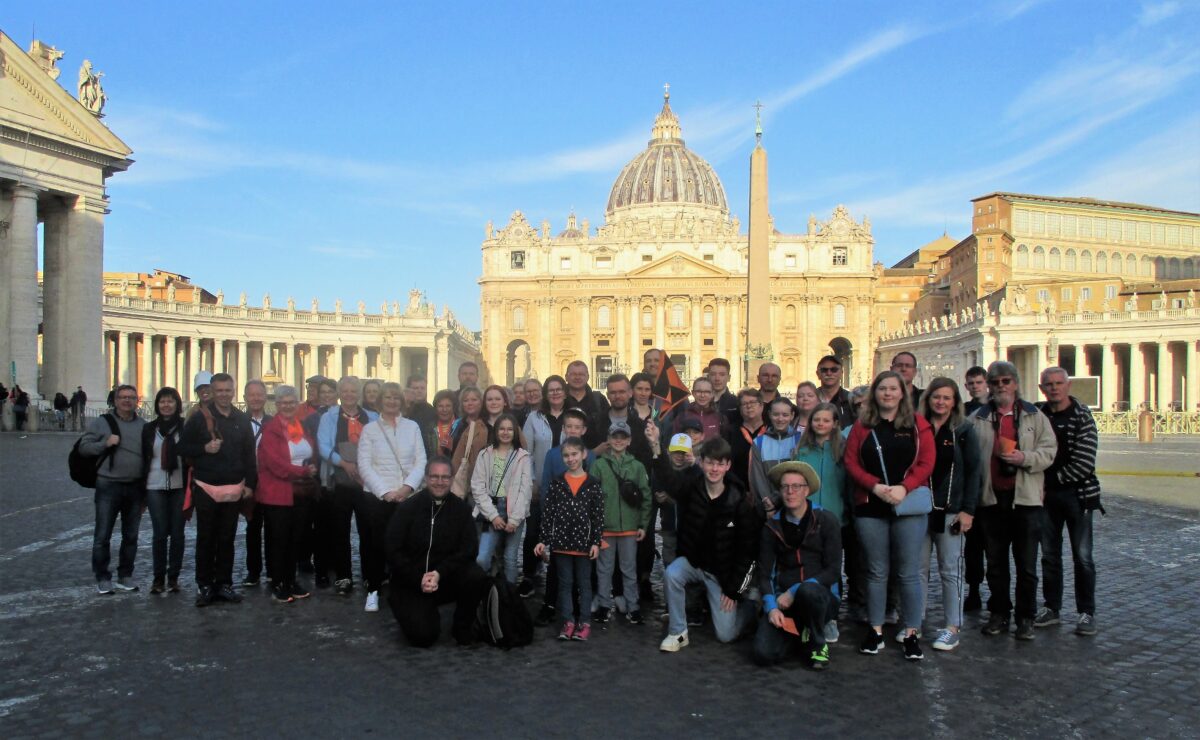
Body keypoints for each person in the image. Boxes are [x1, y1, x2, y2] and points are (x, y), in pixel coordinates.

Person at [844, 370, 935, 660]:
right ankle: (876, 629)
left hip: (906, 504)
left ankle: (911, 632)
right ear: (875, 394)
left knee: (908, 572)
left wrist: (904, 488)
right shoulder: (862, 426)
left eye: (893, 389)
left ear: (902, 393)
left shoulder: (917, 425)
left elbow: (927, 462)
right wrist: (876, 486)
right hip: (871, 503)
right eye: (882, 389)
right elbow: (851, 462)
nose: (887, 394)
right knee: (876, 571)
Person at [650, 428, 760, 652]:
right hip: (693, 561)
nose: (714, 469)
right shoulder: (693, 487)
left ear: (728, 466)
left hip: (721, 574)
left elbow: (748, 552)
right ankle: (678, 631)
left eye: (720, 464)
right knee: (672, 573)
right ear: (701, 463)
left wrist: (734, 591)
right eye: (710, 463)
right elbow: (670, 480)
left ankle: (749, 608)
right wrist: (655, 447)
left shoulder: (739, 501)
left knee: (726, 635)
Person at [971, 361, 1057, 641]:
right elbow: (969, 457)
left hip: (1026, 498)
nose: (1000, 387)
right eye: (995, 382)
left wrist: (1025, 458)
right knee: (995, 563)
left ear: (1016, 384)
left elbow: (1049, 451)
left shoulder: (1034, 416)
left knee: (1027, 564)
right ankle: (999, 612)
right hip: (991, 499)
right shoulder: (979, 418)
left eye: (1005, 381)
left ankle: (1025, 617)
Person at [385, 457, 489, 648]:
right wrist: (418, 578)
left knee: (476, 576)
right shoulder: (407, 509)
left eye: (445, 477)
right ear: (426, 478)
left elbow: (469, 550)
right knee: (423, 636)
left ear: (451, 479)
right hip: (411, 582)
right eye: (434, 477)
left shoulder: (461, 509)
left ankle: (463, 626)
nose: (439, 482)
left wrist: (440, 573)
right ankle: (410, 611)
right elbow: (392, 551)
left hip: (445, 577)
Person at [178, 373, 258, 607]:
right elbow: (182, 447)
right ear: (212, 392)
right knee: (206, 538)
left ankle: (224, 583)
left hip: (233, 487)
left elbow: (249, 456)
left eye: (227, 390)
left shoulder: (242, 419)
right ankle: (204, 585)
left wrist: (251, 485)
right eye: (219, 390)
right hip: (206, 486)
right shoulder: (199, 418)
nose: (224, 394)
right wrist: (204, 447)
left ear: (233, 391)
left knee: (227, 538)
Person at [752, 462, 842, 669]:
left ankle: (818, 644)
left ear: (806, 490)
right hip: (784, 602)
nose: (790, 492)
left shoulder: (826, 520)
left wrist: (795, 591)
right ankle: (802, 633)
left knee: (809, 592)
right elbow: (764, 573)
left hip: (820, 597)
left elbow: (833, 571)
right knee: (763, 654)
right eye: (785, 487)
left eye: (796, 486)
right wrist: (771, 607)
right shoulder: (771, 526)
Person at [916, 378, 981, 652]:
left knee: (950, 570)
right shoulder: (918, 428)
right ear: (928, 399)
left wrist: (968, 510)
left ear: (955, 401)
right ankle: (914, 622)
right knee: (917, 570)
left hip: (951, 510)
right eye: (936, 397)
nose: (940, 402)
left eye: (946, 397)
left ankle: (952, 626)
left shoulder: (965, 430)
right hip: (921, 509)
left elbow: (974, 472)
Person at [1035, 367, 1101, 636]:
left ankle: (1087, 611)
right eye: (1049, 384)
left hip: (1078, 495)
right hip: (1047, 498)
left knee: (1083, 557)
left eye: (1059, 383)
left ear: (1068, 385)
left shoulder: (1083, 416)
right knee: (1049, 556)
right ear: (1042, 388)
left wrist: (1045, 481)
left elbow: (1084, 463)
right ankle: (1052, 607)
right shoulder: (1037, 414)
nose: (1054, 388)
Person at [357, 382, 427, 612]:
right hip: (379, 497)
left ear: (401, 402)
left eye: (396, 398)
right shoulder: (370, 430)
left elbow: (421, 461)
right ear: (380, 401)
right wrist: (386, 492)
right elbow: (364, 466)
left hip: (407, 496)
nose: (392, 401)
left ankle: (406, 587)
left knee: (409, 545)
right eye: (387, 397)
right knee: (377, 545)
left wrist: (406, 488)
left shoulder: (412, 427)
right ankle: (374, 589)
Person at [535, 437, 605, 641]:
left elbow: (598, 516)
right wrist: (543, 540)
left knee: (584, 584)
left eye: (574, 454)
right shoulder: (557, 482)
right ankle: (568, 621)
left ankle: (584, 621)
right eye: (566, 455)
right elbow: (549, 513)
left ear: (584, 454)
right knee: (565, 584)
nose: (570, 458)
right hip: (562, 544)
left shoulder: (593, 483)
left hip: (584, 545)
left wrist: (596, 541)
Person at [255, 385, 320, 604]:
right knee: (279, 539)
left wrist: (311, 466)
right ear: (277, 405)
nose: (289, 406)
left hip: (300, 491)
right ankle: (278, 582)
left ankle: (290, 579)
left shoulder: (299, 426)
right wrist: (303, 470)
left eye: (292, 402)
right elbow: (275, 464)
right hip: (278, 492)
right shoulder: (271, 429)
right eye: (284, 402)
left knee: (295, 539)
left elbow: (309, 450)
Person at [79, 384, 146, 594]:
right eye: (123, 397)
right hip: (108, 484)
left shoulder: (144, 425)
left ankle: (125, 575)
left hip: (135, 486)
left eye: (132, 397)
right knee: (103, 534)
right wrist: (104, 444)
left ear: (137, 401)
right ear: (115, 401)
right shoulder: (102, 423)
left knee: (131, 535)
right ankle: (102, 576)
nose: (127, 401)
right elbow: (84, 447)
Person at [317, 376, 380, 597]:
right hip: (340, 480)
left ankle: (369, 574)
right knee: (339, 530)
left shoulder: (372, 417)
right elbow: (323, 446)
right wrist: (343, 462)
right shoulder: (329, 417)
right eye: (346, 391)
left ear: (359, 393)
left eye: (354, 391)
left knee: (368, 530)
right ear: (339, 393)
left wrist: (362, 466)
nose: (350, 395)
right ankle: (344, 575)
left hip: (365, 482)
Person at [531, 408, 596, 623]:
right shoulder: (553, 454)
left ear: (584, 430)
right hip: (559, 521)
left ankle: (579, 607)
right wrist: (547, 525)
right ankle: (550, 604)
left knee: (581, 571)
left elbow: (594, 490)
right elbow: (548, 487)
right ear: (564, 429)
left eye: (577, 427)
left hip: (581, 524)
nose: (573, 430)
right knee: (556, 568)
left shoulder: (591, 455)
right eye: (569, 426)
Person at [591, 420, 652, 625]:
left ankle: (633, 606)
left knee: (628, 569)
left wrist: (643, 524)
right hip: (606, 529)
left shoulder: (637, 466)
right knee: (604, 569)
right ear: (608, 440)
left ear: (629, 441)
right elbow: (591, 498)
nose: (618, 441)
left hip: (629, 528)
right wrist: (595, 526)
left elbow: (646, 496)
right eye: (614, 437)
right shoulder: (599, 465)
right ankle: (603, 604)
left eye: (622, 438)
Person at [521, 375, 569, 599]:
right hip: (541, 485)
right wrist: (531, 482)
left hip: (569, 485)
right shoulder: (534, 417)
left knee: (564, 533)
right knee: (533, 532)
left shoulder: (574, 416)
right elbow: (526, 452)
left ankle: (561, 577)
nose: (555, 393)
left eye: (559, 389)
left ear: (564, 392)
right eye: (551, 390)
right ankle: (529, 575)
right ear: (545, 394)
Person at [470, 413, 532, 585]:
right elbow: (477, 486)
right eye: (502, 429)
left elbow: (524, 490)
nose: (505, 432)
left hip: (514, 510)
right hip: (492, 508)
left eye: (510, 429)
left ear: (515, 432)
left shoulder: (523, 457)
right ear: (496, 431)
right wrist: (493, 516)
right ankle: (487, 591)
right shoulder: (485, 455)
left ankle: (508, 599)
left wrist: (514, 519)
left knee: (510, 557)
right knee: (482, 558)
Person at [141, 387, 187, 595]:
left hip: (179, 485)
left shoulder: (185, 427)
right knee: (160, 534)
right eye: (162, 401)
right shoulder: (149, 429)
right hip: (154, 485)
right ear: (157, 405)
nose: (166, 405)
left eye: (170, 401)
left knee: (177, 534)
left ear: (177, 404)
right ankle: (158, 579)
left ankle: (174, 577)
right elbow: (143, 457)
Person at [962, 365, 990, 610]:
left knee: (995, 546)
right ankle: (973, 589)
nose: (974, 387)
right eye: (971, 384)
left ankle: (996, 591)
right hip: (971, 490)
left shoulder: (1000, 410)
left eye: (978, 382)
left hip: (992, 489)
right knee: (973, 547)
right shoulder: (964, 411)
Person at [748, 397, 803, 515]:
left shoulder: (799, 440)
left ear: (792, 415)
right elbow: (758, 477)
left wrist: (779, 499)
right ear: (769, 414)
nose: (780, 419)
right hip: (768, 507)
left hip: (794, 504)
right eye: (776, 414)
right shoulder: (759, 442)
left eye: (785, 415)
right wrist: (768, 502)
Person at [241, 380, 272, 588]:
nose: (256, 399)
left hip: (269, 481)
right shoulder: (237, 421)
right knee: (252, 527)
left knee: (272, 527)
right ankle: (253, 571)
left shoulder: (273, 421)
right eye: (252, 395)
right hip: (247, 481)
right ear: (245, 398)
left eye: (259, 394)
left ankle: (272, 569)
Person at [450, 386, 488, 498]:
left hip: (479, 477)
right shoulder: (457, 424)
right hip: (459, 474)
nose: (469, 403)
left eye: (474, 400)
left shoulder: (485, 424)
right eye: (466, 400)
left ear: (481, 402)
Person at [723, 389, 765, 487]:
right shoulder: (730, 432)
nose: (749, 406)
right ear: (740, 409)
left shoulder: (771, 431)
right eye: (744, 404)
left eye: (753, 402)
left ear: (761, 406)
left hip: (766, 491)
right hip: (737, 489)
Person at [564, 360, 610, 447]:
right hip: (566, 457)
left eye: (581, 374)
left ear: (588, 377)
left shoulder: (599, 399)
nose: (577, 377)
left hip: (596, 457)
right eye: (573, 374)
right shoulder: (559, 400)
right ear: (566, 377)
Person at [673, 377, 724, 441]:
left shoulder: (719, 418)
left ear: (712, 394)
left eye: (707, 392)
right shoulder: (682, 417)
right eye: (699, 391)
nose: (702, 395)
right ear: (693, 393)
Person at [815, 355, 855, 429]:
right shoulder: (810, 399)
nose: (829, 373)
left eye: (834, 369)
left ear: (841, 373)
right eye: (824, 370)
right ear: (818, 374)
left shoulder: (851, 400)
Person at [404, 375, 438, 458]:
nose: (419, 391)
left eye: (422, 388)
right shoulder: (402, 410)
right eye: (415, 388)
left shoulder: (432, 411)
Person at [431, 389, 457, 457]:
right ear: (435, 408)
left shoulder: (460, 426)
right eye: (440, 406)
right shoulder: (429, 428)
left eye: (448, 406)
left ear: (453, 407)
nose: (444, 410)